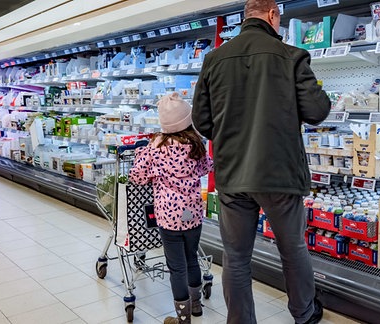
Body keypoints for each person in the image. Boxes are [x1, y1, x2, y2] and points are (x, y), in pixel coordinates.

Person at [192, 0, 331, 323]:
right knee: (292, 249)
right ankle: (304, 313)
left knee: (236, 257)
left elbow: (201, 119)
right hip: (281, 173)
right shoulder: (292, 56)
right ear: (272, 15)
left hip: (233, 173)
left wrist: (229, 138)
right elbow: (316, 111)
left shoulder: (215, 58)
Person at [129, 92, 213, 324]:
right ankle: (196, 306)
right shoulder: (197, 143)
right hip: (193, 213)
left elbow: (137, 176)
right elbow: (206, 168)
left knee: (177, 267)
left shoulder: (155, 146)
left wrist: (141, 156)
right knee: (192, 260)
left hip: (168, 216)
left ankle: (182, 317)